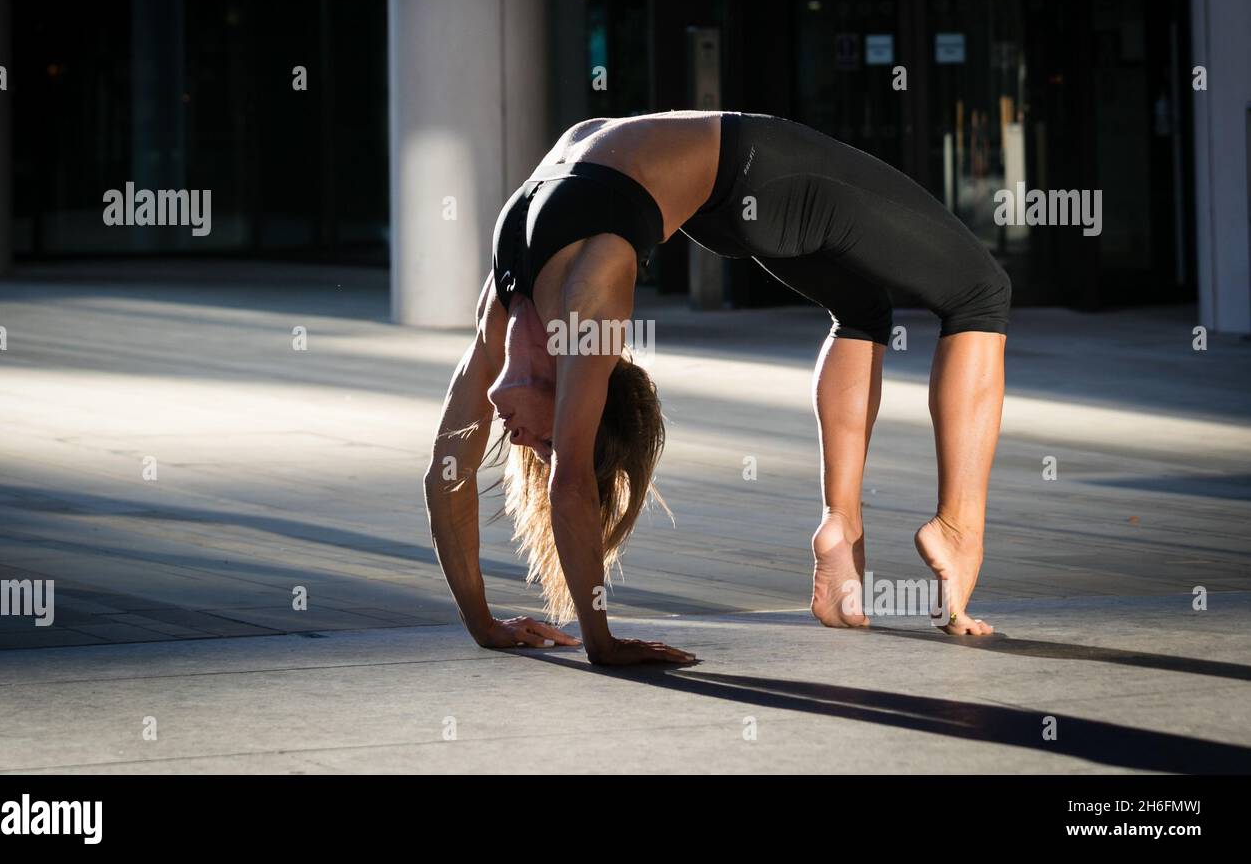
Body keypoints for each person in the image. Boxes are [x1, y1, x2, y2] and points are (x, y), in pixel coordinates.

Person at [423, 110, 1010, 666]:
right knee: (978, 293)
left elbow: (557, 478)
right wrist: (485, 624)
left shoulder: (544, 305)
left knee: (895, 305)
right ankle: (923, 527)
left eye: (547, 446)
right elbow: (457, 471)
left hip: (749, 183)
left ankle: (859, 525)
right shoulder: (536, 306)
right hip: (749, 187)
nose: (531, 447)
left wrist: (597, 639)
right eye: (548, 446)